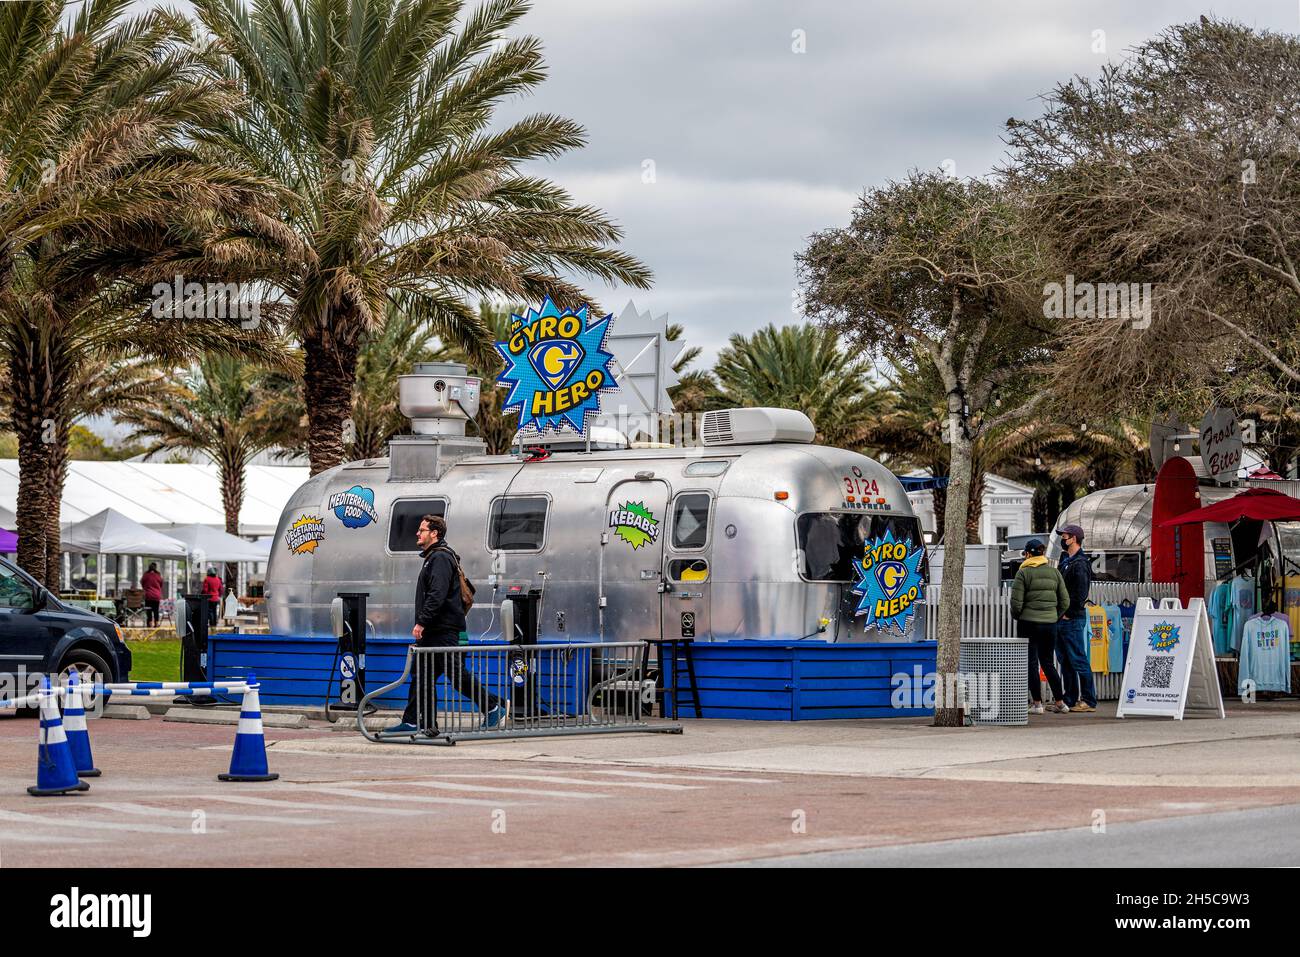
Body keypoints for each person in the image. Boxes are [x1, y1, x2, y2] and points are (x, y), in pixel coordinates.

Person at [384, 515, 506, 737]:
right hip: (435, 632)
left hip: (442, 631)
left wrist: (422, 621)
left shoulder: (440, 558)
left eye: (422, 530)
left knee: (457, 677)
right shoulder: (434, 557)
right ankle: (416, 723)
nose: (417, 533)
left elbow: (437, 595)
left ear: (434, 533)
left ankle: (493, 707)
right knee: (421, 677)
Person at [1010, 539, 1070, 714]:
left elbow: (1016, 603)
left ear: (1028, 554)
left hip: (1028, 624)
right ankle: (1060, 702)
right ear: (1042, 554)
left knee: (1031, 663)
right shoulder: (1055, 573)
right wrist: (1054, 615)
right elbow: (1065, 601)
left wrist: (1019, 617)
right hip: (1050, 625)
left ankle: (1037, 704)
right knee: (1048, 663)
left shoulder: (1023, 573)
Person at [1055, 523, 1097, 713]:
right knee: (1065, 660)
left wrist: (1068, 613)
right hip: (1061, 618)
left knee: (1078, 659)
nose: (1062, 540)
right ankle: (1070, 698)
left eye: (1065, 536)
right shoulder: (1066, 560)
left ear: (1074, 538)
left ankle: (1088, 699)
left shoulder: (1080, 563)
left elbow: (1080, 593)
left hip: (1071, 619)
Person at [140, 562, 163, 627]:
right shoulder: (158, 575)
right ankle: (156, 624)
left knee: (149, 611)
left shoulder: (146, 575)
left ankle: (149, 624)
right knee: (156, 610)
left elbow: (142, 582)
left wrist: (146, 588)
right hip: (156, 596)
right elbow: (161, 584)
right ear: (155, 568)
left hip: (148, 596)